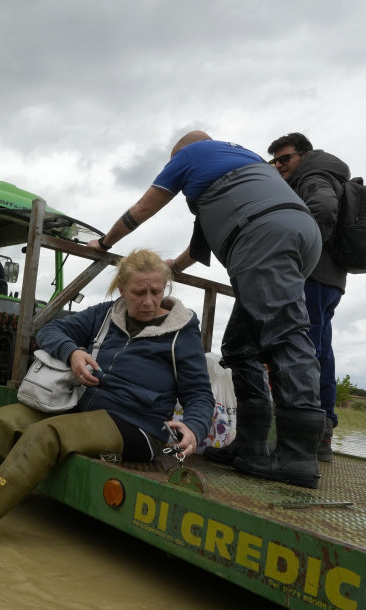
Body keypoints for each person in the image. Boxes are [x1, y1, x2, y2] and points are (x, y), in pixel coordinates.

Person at [0, 249, 215, 551]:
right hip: (84, 406)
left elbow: (199, 393)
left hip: (137, 426)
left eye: (156, 291)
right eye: (139, 292)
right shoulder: (105, 314)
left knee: (45, 434)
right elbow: (50, 332)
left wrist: (194, 428)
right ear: (121, 289)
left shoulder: (181, 333)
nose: (148, 301)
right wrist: (73, 353)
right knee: (4, 419)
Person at [86, 130, 324, 488]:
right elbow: (199, 248)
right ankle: (249, 445)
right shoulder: (240, 167)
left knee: (285, 334)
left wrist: (105, 242)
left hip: (262, 234)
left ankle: (298, 456)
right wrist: (170, 269)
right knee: (240, 346)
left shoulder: (190, 154)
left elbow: (143, 208)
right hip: (302, 232)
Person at [266, 132, 350, 461]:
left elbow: (324, 210)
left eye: (285, 159)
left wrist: (298, 257)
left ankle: (299, 437)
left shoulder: (313, 176)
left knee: (300, 350)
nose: (278, 165)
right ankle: (322, 434)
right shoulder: (328, 175)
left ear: (304, 155)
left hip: (313, 276)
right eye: (274, 161)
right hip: (331, 280)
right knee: (319, 351)